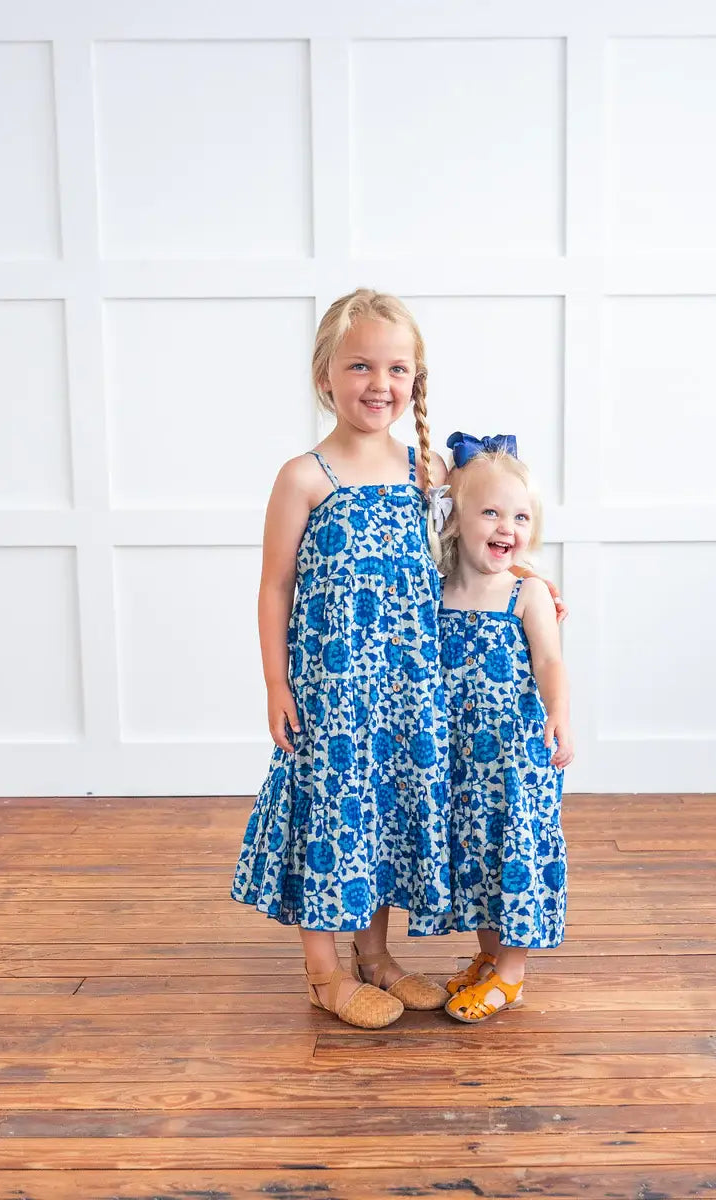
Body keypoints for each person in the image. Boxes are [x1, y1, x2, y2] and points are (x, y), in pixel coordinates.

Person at [231, 289, 451, 1028]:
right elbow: (274, 586)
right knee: (331, 816)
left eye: (397, 368)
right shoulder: (306, 477)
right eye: (360, 365)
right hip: (331, 692)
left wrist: (536, 584)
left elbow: (487, 545)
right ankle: (323, 972)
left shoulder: (429, 471)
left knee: (384, 814)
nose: (379, 384)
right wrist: (275, 683)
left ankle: (377, 956)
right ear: (325, 375)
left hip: (407, 690)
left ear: (416, 379)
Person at [434, 432, 574, 1022]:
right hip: (461, 756)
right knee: (476, 859)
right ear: (454, 518)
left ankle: (512, 973)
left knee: (511, 853)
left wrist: (559, 716)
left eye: (519, 516)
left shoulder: (526, 591)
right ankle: (489, 957)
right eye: (489, 511)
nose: (505, 527)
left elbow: (549, 661)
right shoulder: (436, 588)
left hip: (514, 754)